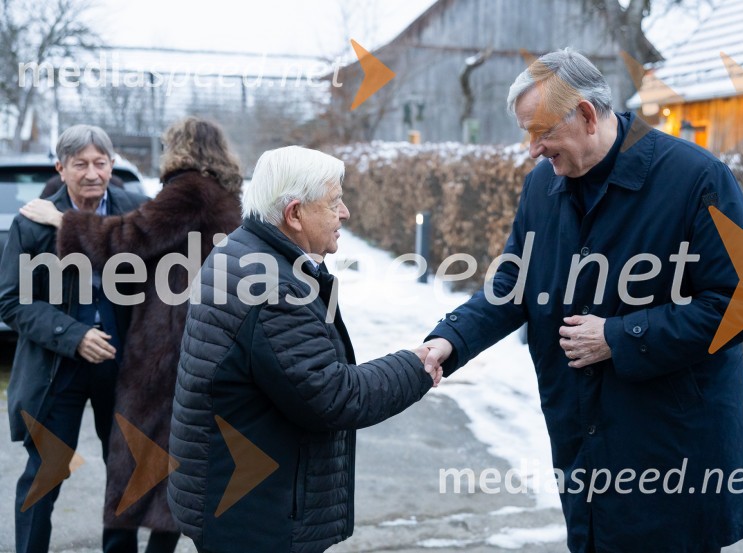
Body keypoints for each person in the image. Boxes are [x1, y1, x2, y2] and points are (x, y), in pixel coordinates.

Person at [422, 48, 743, 553]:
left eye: (541, 133)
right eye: (527, 134)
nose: (533, 149)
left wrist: (620, 336)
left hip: (675, 449)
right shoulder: (544, 185)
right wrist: (449, 340)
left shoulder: (697, 179)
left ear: (586, 114)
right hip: (584, 438)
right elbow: (512, 284)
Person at [167, 145, 441, 553]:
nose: (345, 213)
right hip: (256, 515)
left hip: (235, 499)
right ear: (294, 214)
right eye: (334, 203)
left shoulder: (245, 251)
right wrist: (414, 367)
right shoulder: (274, 287)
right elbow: (333, 397)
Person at [18, 117, 244, 553]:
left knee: (144, 454)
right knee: (168, 452)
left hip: (168, 344)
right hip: (197, 338)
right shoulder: (222, 194)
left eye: (100, 162)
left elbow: (127, 238)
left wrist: (64, 221)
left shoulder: (188, 191)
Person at [0, 125, 146, 553]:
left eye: (100, 163)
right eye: (80, 164)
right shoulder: (31, 223)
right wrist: (74, 334)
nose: (91, 173)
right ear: (61, 168)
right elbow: (11, 301)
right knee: (45, 471)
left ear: (112, 165)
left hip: (122, 366)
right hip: (57, 365)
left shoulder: (135, 212)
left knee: (125, 470)